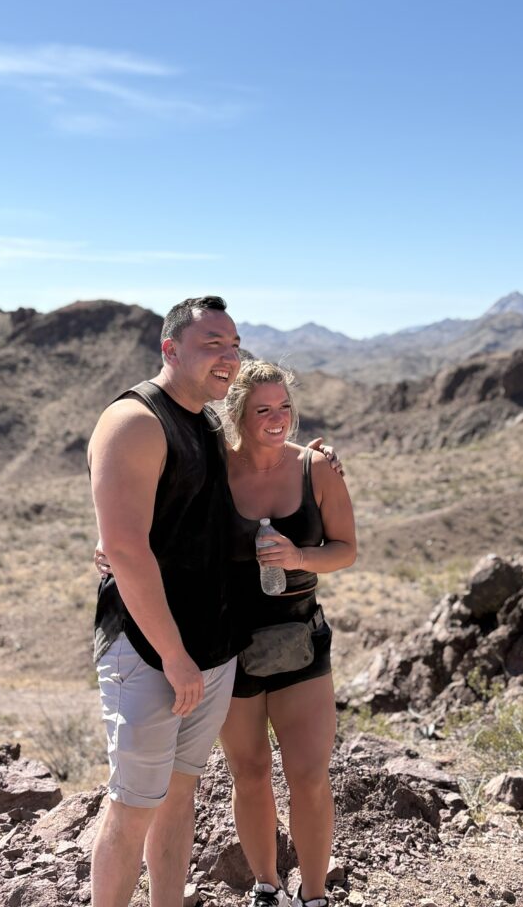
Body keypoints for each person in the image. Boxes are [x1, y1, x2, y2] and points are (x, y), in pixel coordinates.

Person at [88, 294, 244, 907]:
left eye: (234, 346)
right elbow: (125, 551)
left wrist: (314, 459)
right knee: (132, 809)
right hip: (150, 652)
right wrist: (175, 657)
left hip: (209, 648)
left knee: (180, 801)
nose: (228, 357)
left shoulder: (207, 421)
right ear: (170, 348)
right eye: (213, 345)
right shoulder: (134, 421)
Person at [219, 359, 356, 907]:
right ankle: (266, 887)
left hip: (300, 638)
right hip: (230, 644)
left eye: (284, 407)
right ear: (237, 415)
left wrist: (300, 555)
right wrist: (111, 544)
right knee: (249, 772)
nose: (277, 419)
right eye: (262, 410)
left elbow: (346, 549)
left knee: (307, 774)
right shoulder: (214, 469)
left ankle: (315, 895)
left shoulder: (315, 469)